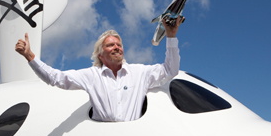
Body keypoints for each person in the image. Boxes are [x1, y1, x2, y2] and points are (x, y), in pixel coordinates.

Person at [15, 17, 182, 122]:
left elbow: (170, 70)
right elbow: (56, 78)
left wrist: (171, 36)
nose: (117, 48)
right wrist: (30, 56)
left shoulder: (139, 73)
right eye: (110, 45)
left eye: (119, 45)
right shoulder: (91, 75)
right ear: (100, 54)